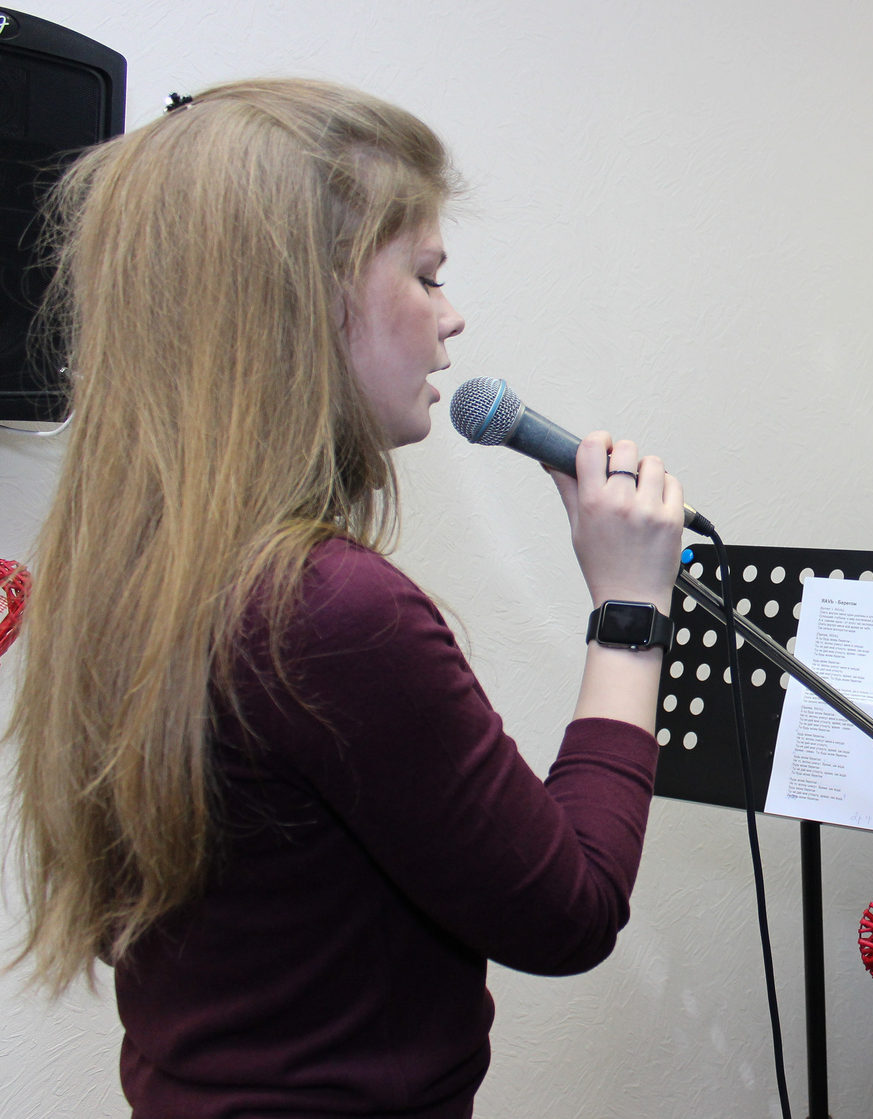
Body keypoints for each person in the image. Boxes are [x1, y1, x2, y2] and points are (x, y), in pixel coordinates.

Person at [6, 78, 686, 1118]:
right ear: (301, 299)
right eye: (424, 274)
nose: (452, 318)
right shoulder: (326, 610)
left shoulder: (126, 568)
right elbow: (572, 911)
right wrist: (630, 613)